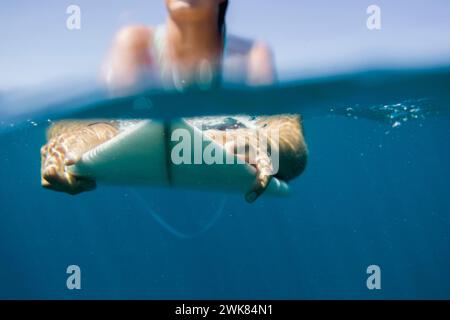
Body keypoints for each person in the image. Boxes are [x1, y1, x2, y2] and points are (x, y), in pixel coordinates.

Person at [40, 0, 307, 202]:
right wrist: (68, 143)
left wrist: (264, 143)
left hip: (232, 142)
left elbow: (286, 132)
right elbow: (102, 121)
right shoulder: (133, 43)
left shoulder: (251, 55)